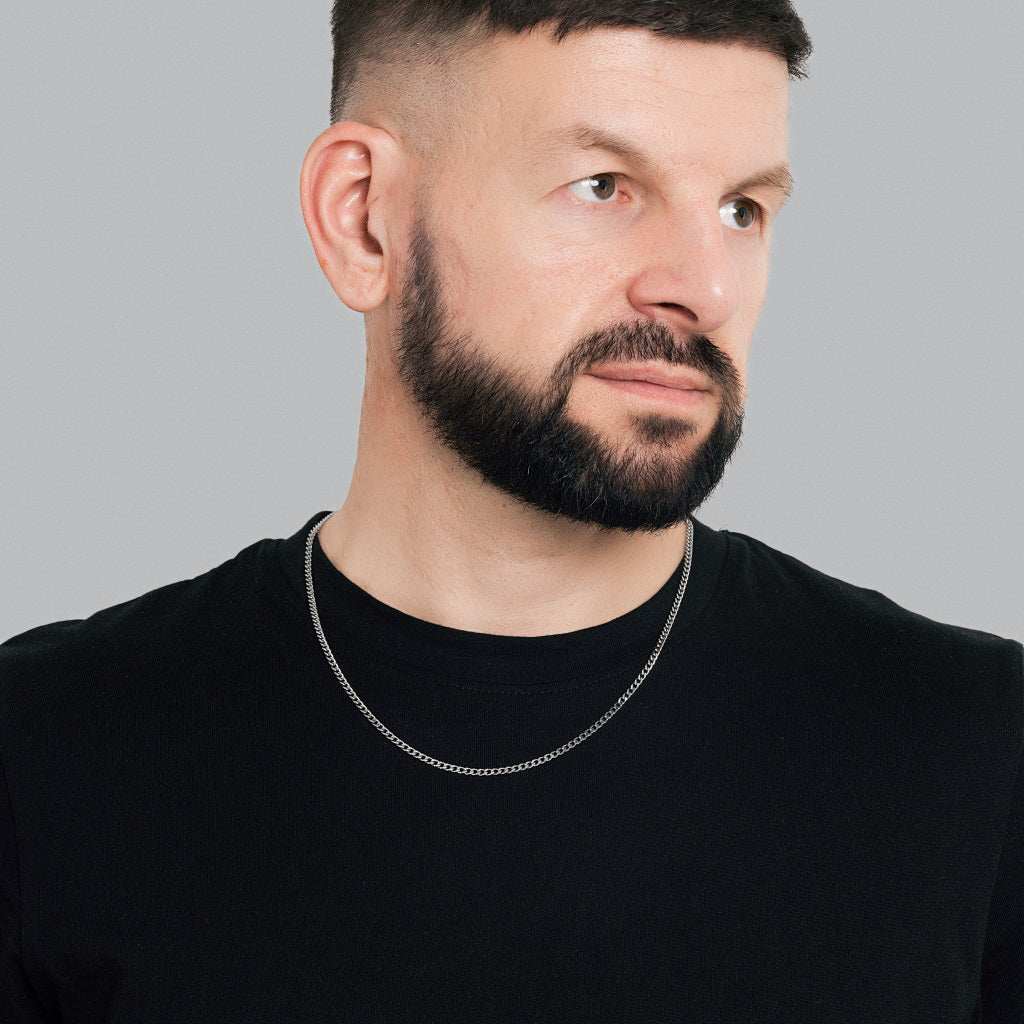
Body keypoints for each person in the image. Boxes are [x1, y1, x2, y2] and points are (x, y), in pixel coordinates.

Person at [1, 0, 1020, 1020]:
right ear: (361, 217)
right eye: (603, 186)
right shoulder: (44, 753)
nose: (704, 287)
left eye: (740, 209)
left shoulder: (976, 749)